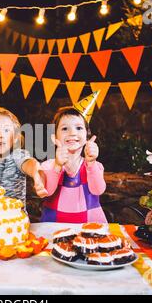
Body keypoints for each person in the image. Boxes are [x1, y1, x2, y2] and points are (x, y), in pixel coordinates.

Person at [40, 91, 108, 223]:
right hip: (54, 227)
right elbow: (47, 191)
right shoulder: (48, 166)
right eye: (65, 129)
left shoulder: (95, 166)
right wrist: (58, 166)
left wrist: (91, 163)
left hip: (90, 227)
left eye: (78, 128)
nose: (72, 133)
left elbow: (98, 190)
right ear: (54, 138)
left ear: (87, 137)